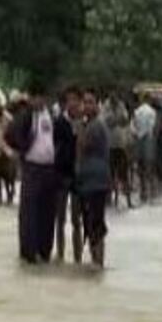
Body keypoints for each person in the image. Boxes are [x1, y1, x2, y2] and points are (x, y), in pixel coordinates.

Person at [9, 86, 59, 264]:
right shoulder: (26, 115)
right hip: (32, 168)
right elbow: (10, 134)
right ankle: (28, 252)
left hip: (49, 169)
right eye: (34, 97)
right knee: (29, 212)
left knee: (47, 211)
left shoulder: (52, 115)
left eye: (41, 97)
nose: (38, 101)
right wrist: (22, 149)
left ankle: (44, 250)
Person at [77, 89, 113, 268]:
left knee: (95, 224)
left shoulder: (94, 126)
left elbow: (81, 146)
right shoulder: (93, 124)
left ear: (97, 105)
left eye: (90, 102)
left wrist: (80, 125)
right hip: (90, 182)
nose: (86, 106)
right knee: (93, 223)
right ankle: (96, 262)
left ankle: (98, 262)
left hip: (96, 182)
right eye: (85, 102)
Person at [53, 86, 84, 264]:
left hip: (78, 177)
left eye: (75, 100)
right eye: (69, 100)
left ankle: (78, 258)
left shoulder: (83, 123)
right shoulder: (58, 123)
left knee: (76, 220)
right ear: (65, 103)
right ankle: (60, 255)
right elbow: (53, 149)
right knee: (60, 218)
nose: (72, 103)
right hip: (61, 174)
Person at [0, 88, 17, 205]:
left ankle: (11, 191)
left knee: (9, 175)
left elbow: (13, 134)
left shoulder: (9, 118)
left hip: (7, 149)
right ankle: (0, 198)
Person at [132, 93, 159, 203]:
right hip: (148, 139)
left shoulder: (137, 111)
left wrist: (137, 135)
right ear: (149, 100)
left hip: (138, 139)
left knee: (140, 166)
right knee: (150, 167)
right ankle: (151, 191)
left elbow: (132, 127)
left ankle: (143, 191)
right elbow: (152, 127)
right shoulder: (152, 112)